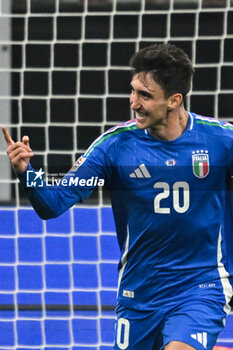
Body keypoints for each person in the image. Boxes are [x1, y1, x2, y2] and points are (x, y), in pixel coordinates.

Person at [2, 43, 233, 350]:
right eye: (133, 90)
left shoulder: (220, 140)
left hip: (200, 286)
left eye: (145, 95)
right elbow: (53, 204)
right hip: (139, 293)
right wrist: (27, 172)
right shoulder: (115, 146)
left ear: (175, 99)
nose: (133, 102)